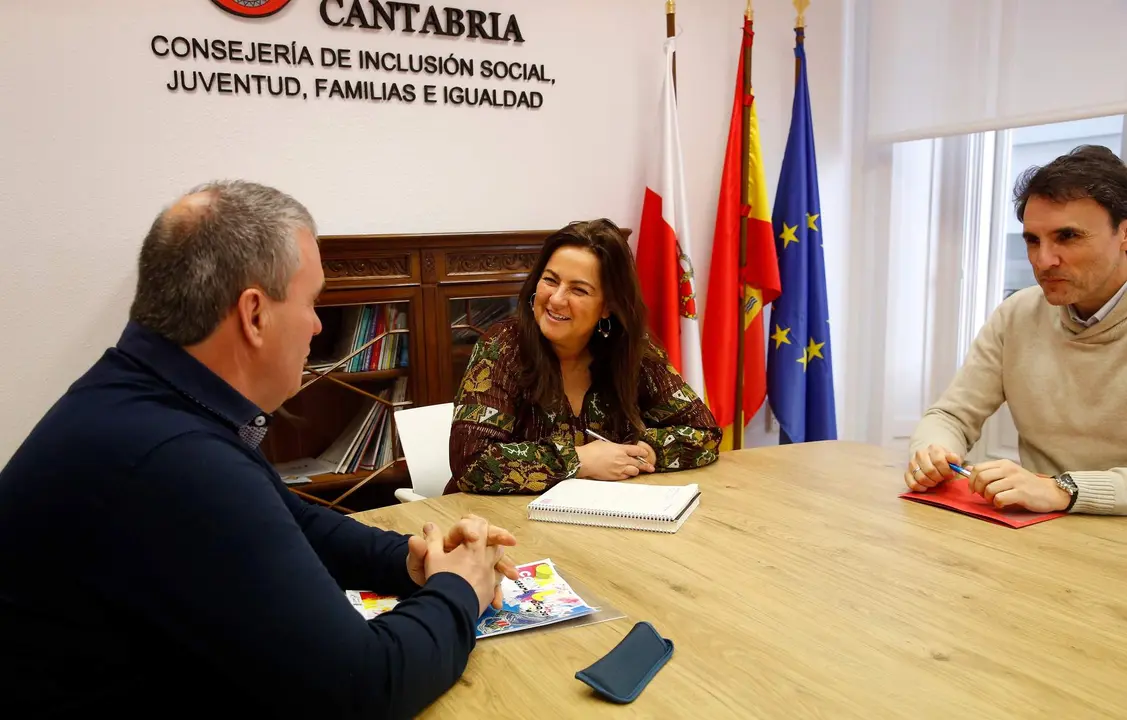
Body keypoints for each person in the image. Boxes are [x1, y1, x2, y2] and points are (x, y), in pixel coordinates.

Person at [0, 181, 519, 718]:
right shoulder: (175, 457)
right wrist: (459, 590)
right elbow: (365, 687)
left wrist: (408, 560)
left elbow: (289, 519)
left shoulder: (147, 395)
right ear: (254, 314)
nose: (319, 326)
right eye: (313, 302)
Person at [906, 144, 1127, 515]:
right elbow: (950, 417)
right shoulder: (1018, 313)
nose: (1044, 261)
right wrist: (933, 452)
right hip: (1035, 530)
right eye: (1032, 240)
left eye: (1068, 236)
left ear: (1124, 234)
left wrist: (1064, 490)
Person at [446, 218, 721, 495]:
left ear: (608, 306)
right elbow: (472, 464)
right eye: (550, 280)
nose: (555, 299)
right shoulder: (502, 346)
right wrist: (580, 460)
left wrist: (642, 453)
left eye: (579, 290)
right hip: (498, 523)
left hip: (598, 518)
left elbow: (705, 434)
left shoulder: (633, 351)